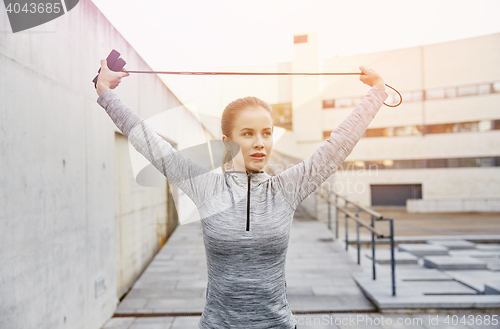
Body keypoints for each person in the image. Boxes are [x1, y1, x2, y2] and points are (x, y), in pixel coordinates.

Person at [95, 59, 387, 329]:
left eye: (267, 133)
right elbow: (151, 143)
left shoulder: (286, 189)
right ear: (228, 142)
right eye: (248, 133)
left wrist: (376, 93)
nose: (260, 143)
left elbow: (336, 147)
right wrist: (106, 92)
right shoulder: (206, 187)